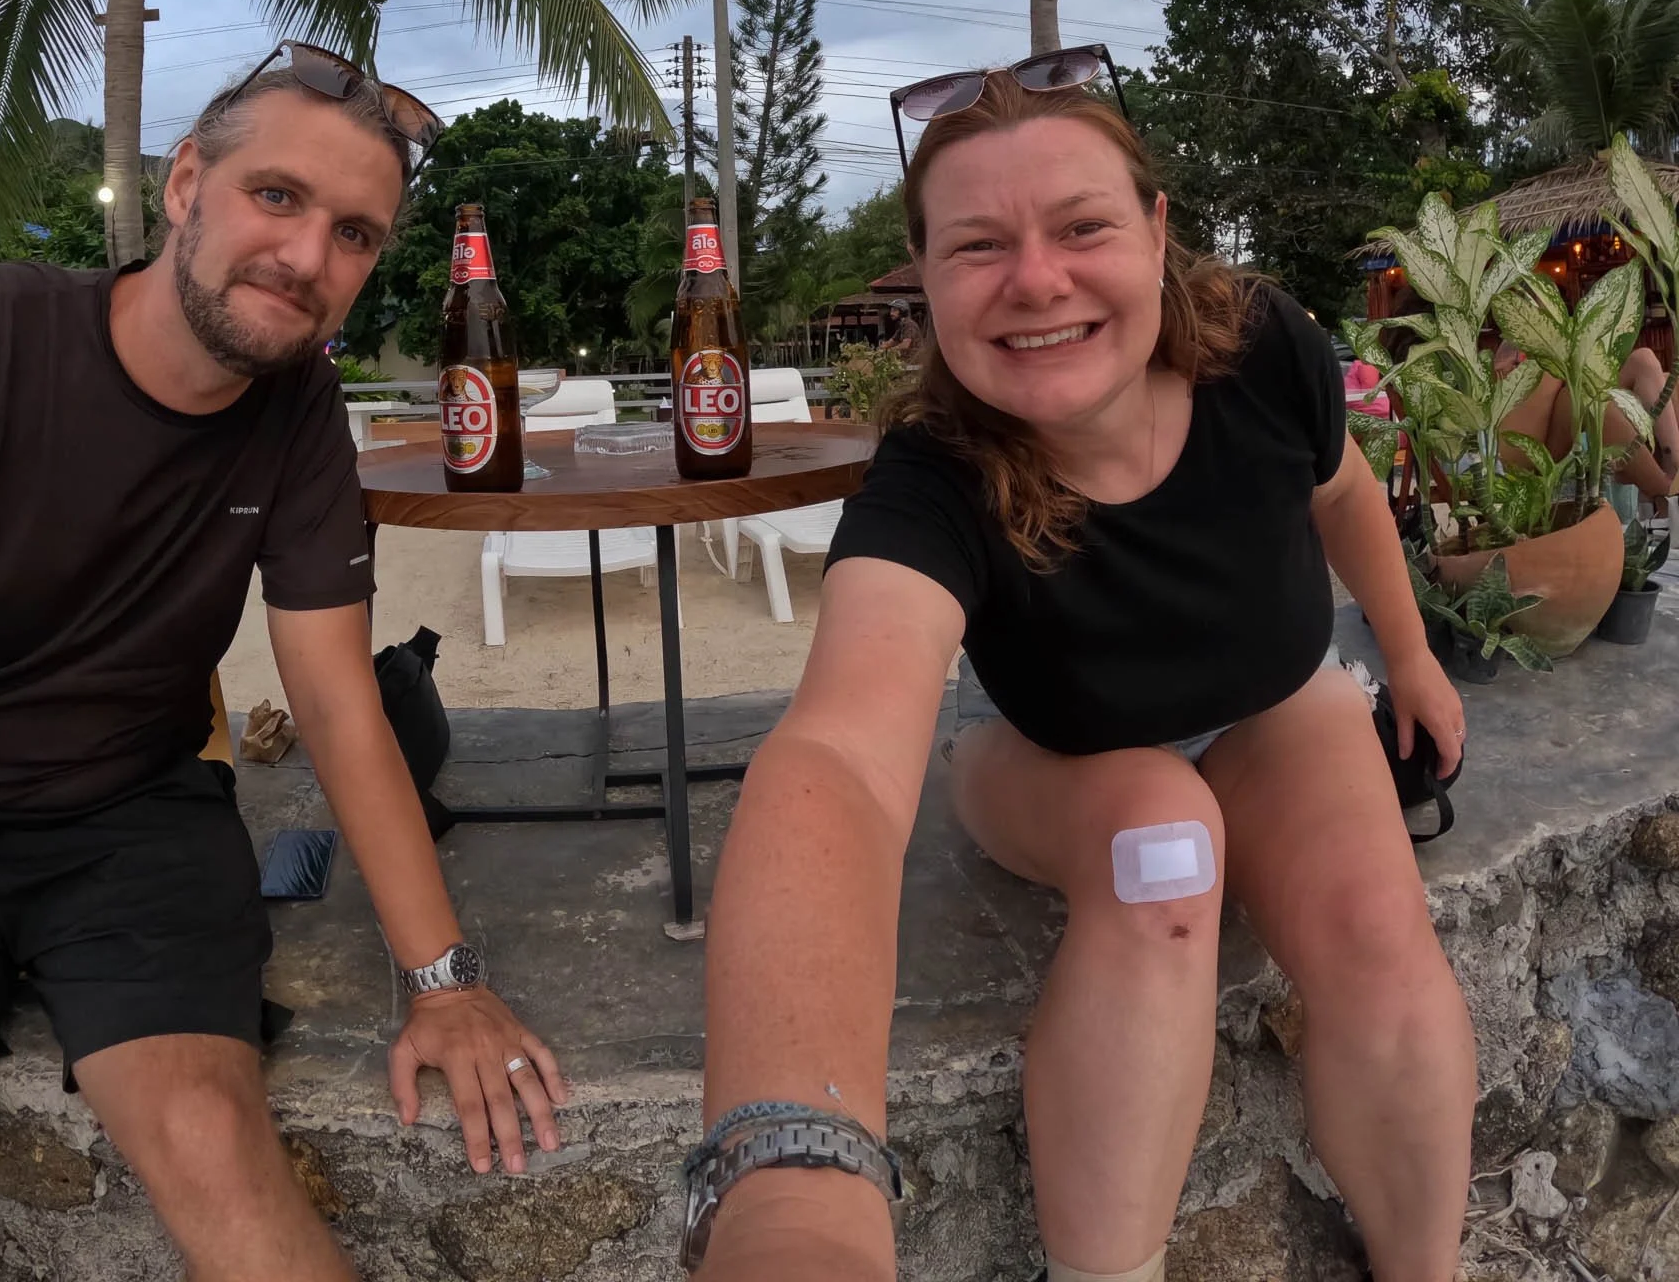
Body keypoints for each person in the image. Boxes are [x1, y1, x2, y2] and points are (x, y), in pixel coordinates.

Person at [0, 45, 566, 1282]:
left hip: (135, 831)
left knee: (219, 1146)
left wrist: (443, 983)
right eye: (277, 197)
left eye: (355, 233)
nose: (309, 257)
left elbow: (329, 697)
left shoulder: (299, 417)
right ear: (185, 186)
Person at [690, 67, 1473, 1282]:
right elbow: (838, 754)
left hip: (1275, 704)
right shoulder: (933, 472)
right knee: (1162, 849)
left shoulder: (1265, 349)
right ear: (929, 280)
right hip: (1057, 754)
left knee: (1375, 928)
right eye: (978, 245)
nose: (1036, 280)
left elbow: (1342, 491)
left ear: (1156, 230)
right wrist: (792, 1182)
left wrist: (1410, 654)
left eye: (1081, 226)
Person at [1495, 337, 1678, 505]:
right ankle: (1665, 497)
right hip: (1527, 449)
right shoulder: (1509, 354)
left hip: (1555, 415)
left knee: (1646, 362)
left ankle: (1675, 464)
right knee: (1594, 403)